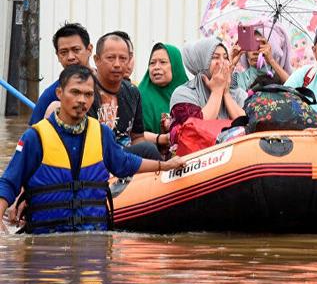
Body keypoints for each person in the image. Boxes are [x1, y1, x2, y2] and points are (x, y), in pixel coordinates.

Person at [0, 65, 186, 234]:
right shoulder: (34, 137)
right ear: (59, 93)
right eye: (75, 92)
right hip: (46, 239)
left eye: (88, 94)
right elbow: (9, 182)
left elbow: (124, 163)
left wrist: (165, 165)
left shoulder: (101, 133)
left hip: (94, 237)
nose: (82, 100)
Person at [89, 32, 162, 160]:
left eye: (123, 58)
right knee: (148, 150)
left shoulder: (132, 91)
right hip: (95, 159)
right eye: (111, 58)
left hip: (126, 160)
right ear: (97, 60)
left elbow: (137, 137)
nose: (117, 64)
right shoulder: (86, 92)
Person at [169, 37, 247, 131]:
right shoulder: (183, 94)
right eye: (215, 57)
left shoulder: (237, 93)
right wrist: (217, 91)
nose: (222, 62)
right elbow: (196, 130)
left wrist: (226, 93)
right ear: (201, 62)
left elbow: (249, 124)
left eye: (225, 57)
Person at [29, 23, 94, 125]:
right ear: (58, 56)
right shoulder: (50, 96)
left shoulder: (109, 84)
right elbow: (33, 136)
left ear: (89, 49)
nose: (70, 57)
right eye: (64, 52)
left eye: (76, 50)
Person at [138, 43, 189, 148]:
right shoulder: (140, 95)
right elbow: (134, 135)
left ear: (175, 66)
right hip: (152, 157)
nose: (156, 67)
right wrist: (162, 138)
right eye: (152, 63)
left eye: (163, 62)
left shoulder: (189, 94)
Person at [230, 23, 291, 91]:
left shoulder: (278, 76)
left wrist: (271, 60)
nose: (255, 52)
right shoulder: (239, 78)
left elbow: (293, 87)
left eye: (259, 47)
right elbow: (223, 89)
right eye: (251, 47)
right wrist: (231, 63)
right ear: (246, 53)